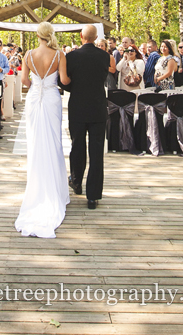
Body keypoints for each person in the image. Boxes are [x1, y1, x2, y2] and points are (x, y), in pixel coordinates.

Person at [15, 21, 70, 238]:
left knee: (36, 142)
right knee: (54, 142)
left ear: (38, 35)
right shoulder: (59, 55)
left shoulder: (28, 54)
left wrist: (37, 85)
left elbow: (24, 80)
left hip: (34, 98)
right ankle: (55, 189)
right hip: (51, 98)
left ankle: (37, 188)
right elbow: (64, 79)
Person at [63, 23, 111, 210]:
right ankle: (93, 196)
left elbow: (64, 82)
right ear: (95, 37)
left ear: (81, 37)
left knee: (77, 146)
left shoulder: (72, 56)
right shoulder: (104, 56)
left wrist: (74, 88)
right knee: (97, 152)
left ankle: (76, 181)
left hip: (78, 107)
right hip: (98, 107)